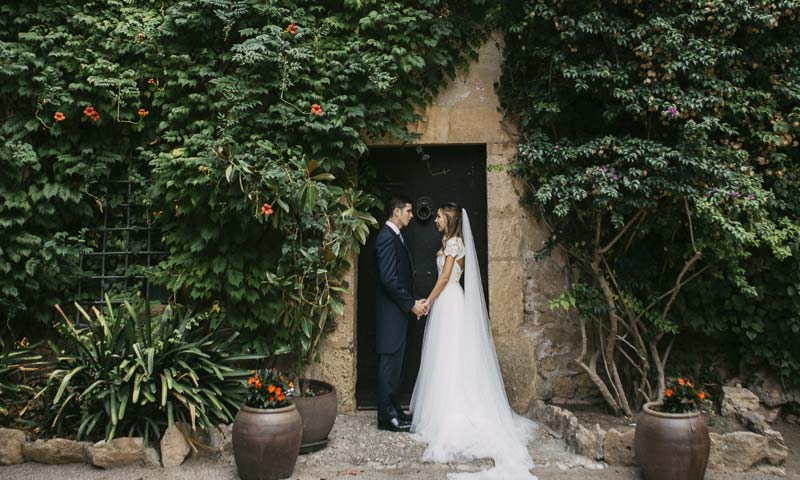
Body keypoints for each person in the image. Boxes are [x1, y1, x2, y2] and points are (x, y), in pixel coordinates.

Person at [410, 203, 538, 479]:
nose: (435, 220)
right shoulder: (450, 241)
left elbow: (445, 277)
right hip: (450, 301)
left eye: (439, 217)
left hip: (448, 301)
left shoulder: (454, 243)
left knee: (449, 355)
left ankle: (451, 412)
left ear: (450, 220)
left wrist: (428, 302)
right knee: (446, 356)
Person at [374, 196, 429, 432]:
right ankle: (386, 418)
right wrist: (410, 304)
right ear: (396, 212)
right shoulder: (386, 238)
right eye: (408, 210)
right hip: (390, 314)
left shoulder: (396, 236)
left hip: (397, 312)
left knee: (396, 365)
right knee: (389, 364)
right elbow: (389, 279)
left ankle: (394, 409)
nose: (411, 215)